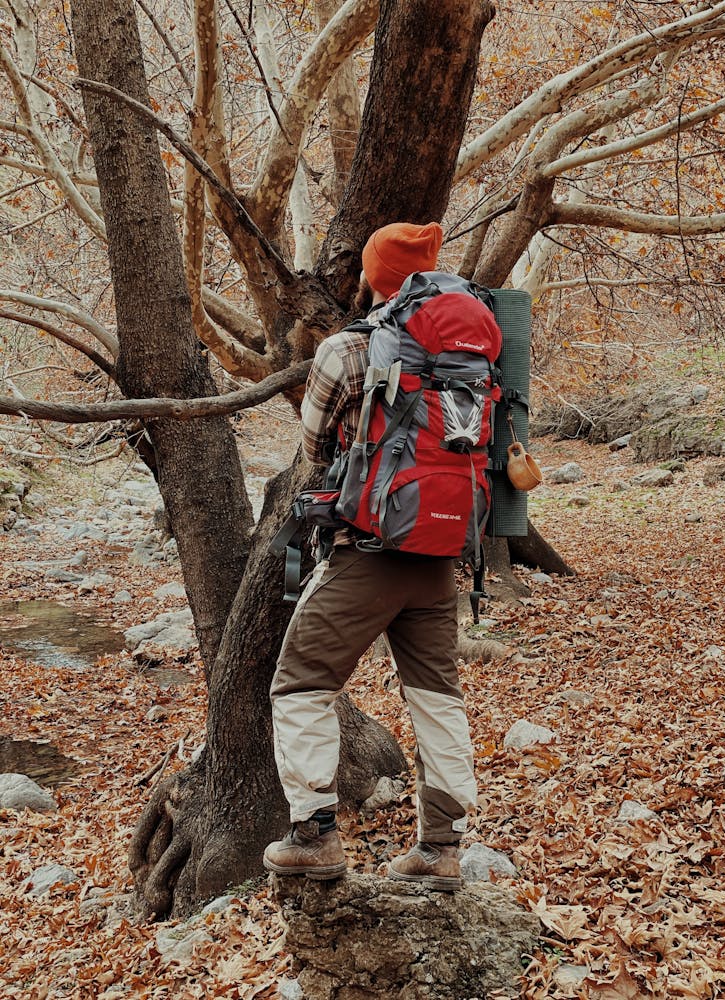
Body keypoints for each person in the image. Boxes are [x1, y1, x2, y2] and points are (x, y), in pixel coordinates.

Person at [263, 221, 477, 891]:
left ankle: (314, 837)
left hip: (368, 555)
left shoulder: (346, 350)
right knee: (437, 699)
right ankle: (441, 848)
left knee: (299, 683)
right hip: (442, 558)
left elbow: (315, 448)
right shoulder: (473, 354)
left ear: (373, 276)